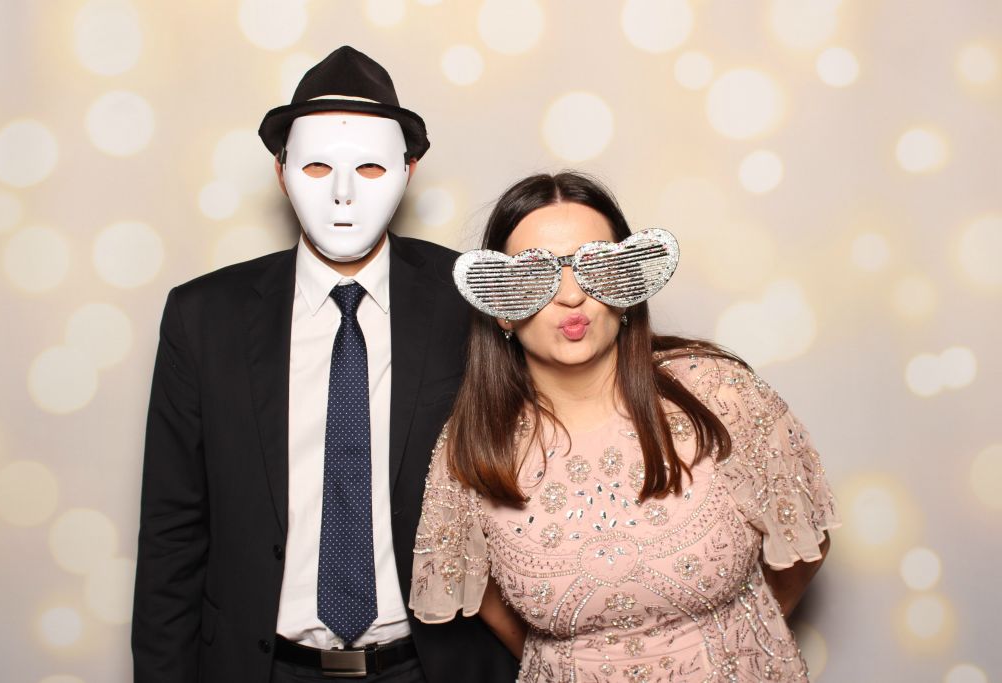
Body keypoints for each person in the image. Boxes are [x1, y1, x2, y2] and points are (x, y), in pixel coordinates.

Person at [132, 46, 518, 683]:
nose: (343, 193)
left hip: (433, 665)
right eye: (317, 165)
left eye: (370, 167)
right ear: (281, 172)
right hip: (261, 667)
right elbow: (172, 529)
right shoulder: (204, 319)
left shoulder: (470, 299)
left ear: (409, 170)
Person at [409, 172, 840, 682]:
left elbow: (803, 541)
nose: (572, 296)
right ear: (501, 307)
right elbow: (476, 590)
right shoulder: (473, 443)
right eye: (536, 274)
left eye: (595, 266)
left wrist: (734, 643)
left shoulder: (719, 394)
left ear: (630, 283)